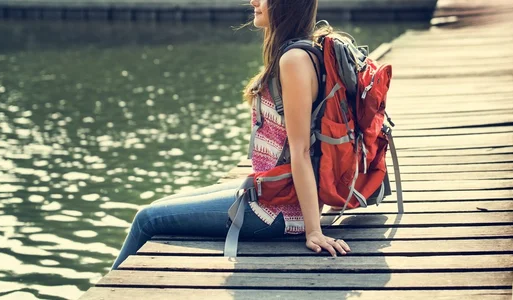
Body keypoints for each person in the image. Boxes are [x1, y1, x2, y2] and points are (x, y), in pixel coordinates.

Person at [110, 0, 351, 270]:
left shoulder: (293, 60)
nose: (254, 2)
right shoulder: (299, 51)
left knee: (147, 218)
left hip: (277, 209)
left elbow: (302, 150)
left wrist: (313, 231)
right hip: (271, 191)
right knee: (158, 205)